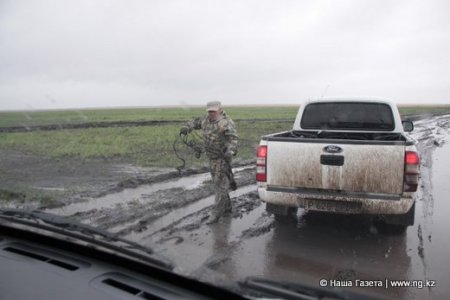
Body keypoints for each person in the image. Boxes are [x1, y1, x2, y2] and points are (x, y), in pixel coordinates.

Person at [180, 101, 239, 224]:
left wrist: (230, 151)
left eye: (213, 111)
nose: (211, 113)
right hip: (211, 157)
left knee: (219, 186)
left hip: (222, 158)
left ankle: (216, 213)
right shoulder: (205, 120)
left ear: (220, 110)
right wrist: (187, 127)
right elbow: (195, 122)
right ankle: (227, 208)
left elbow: (233, 140)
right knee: (220, 183)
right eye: (209, 111)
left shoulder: (226, 123)